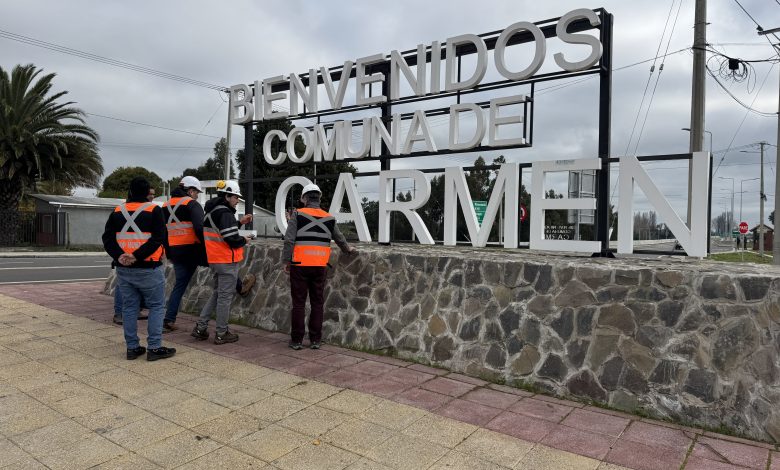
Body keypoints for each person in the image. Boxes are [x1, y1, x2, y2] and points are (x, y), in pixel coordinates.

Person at [102, 177, 176, 361]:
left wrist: (119, 255)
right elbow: (158, 238)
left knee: (129, 307)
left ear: (130, 191)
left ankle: (132, 347)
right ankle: (154, 348)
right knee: (156, 306)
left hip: (124, 268)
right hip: (148, 267)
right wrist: (137, 255)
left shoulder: (117, 211)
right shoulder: (154, 210)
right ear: (147, 193)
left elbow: (107, 238)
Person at [282, 183, 356, 350]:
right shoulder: (329, 218)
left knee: (299, 303)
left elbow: (289, 240)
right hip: (320, 266)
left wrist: (286, 261)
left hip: (299, 265)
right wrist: (348, 250)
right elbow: (340, 238)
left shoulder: (298, 214)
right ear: (319, 198)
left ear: (304, 199)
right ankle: (315, 340)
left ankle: (297, 341)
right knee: (317, 303)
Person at [191, 180, 252, 344]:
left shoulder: (212, 210)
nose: (237, 200)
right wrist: (244, 240)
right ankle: (221, 332)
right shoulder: (225, 212)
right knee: (224, 297)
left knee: (218, 294)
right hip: (226, 260)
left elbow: (221, 230)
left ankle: (201, 327)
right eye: (235, 197)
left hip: (215, 259)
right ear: (227, 196)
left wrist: (240, 223)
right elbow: (231, 238)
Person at [162, 176, 206, 332]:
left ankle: (169, 319)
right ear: (190, 191)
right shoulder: (192, 204)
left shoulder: (165, 205)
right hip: (192, 250)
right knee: (222, 266)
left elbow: (163, 232)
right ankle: (239, 286)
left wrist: (169, 253)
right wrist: (207, 246)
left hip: (175, 251)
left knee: (179, 284)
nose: (197, 196)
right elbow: (200, 228)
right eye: (197, 192)